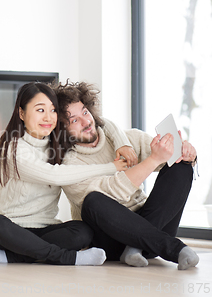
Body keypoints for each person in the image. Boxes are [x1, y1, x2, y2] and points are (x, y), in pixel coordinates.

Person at [0, 82, 129, 266]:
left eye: (53, 110)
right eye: (40, 110)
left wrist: (124, 144)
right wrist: (111, 167)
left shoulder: (58, 143)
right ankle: (70, 258)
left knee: (83, 230)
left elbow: (101, 123)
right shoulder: (12, 149)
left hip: (45, 229)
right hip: (11, 230)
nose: (48, 117)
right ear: (22, 113)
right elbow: (54, 175)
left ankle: (12, 257)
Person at [54, 80, 199, 270]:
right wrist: (154, 160)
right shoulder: (68, 165)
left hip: (153, 225)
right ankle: (173, 248)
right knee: (93, 201)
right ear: (61, 130)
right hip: (113, 240)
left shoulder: (127, 138)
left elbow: (169, 160)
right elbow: (112, 192)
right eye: (74, 120)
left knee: (182, 167)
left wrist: (187, 154)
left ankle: (136, 247)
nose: (85, 121)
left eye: (85, 112)